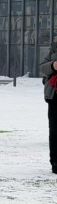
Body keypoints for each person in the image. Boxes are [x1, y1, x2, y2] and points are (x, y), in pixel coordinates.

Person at [40, 39, 57, 174]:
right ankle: (55, 162)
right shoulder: (54, 49)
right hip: (54, 95)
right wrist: (53, 65)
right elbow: (42, 68)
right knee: (55, 130)